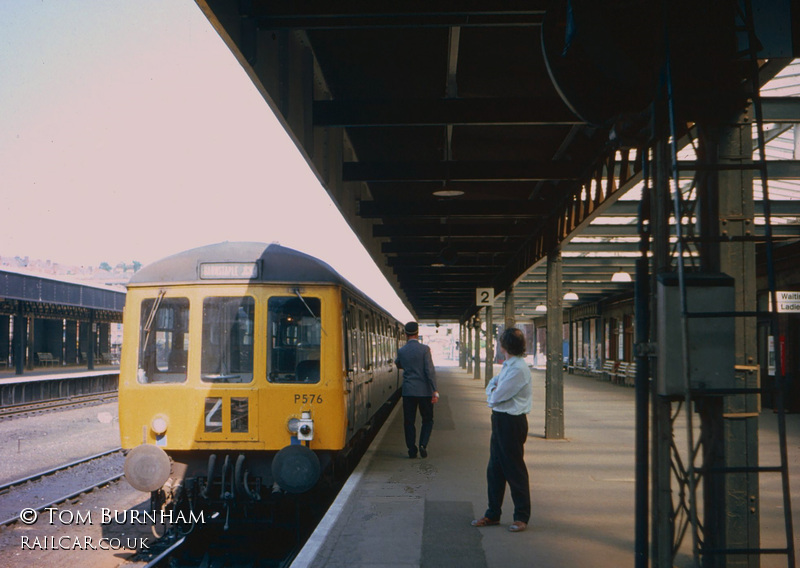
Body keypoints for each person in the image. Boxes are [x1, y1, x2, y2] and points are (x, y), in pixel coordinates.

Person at [471, 327, 533, 533]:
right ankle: (492, 514)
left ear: (504, 345)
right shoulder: (509, 365)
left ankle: (521, 517)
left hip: (511, 422)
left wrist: (493, 392)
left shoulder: (517, 369)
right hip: (500, 420)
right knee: (495, 469)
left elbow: (496, 396)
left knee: (514, 469)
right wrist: (493, 390)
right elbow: (492, 386)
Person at [395, 321, 439, 458]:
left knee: (409, 421)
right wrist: (434, 390)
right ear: (417, 333)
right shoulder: (425, 349)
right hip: (424, 391)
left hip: (408, 391)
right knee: (427, 419)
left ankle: (411, 449)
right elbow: (429, 371)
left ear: (406, 334)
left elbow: (398, 364)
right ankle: (423, 444)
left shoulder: (401, 351)